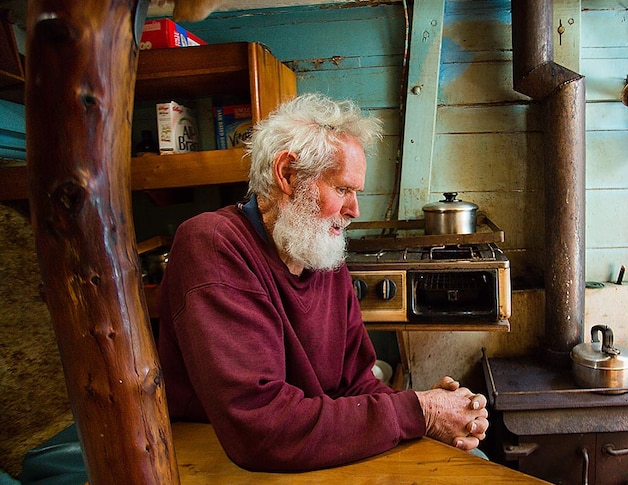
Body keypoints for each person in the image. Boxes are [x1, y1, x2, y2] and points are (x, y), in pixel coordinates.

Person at [156, 93, 489, 472]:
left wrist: (432, 420)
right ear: (287, 174)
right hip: (217, 454)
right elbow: (260, 426)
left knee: (471, 460)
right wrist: (418, 411)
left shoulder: (322, 256)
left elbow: (356, 385)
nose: (354, 211)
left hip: (305, 445)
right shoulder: (213, 244)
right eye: (343, 189)